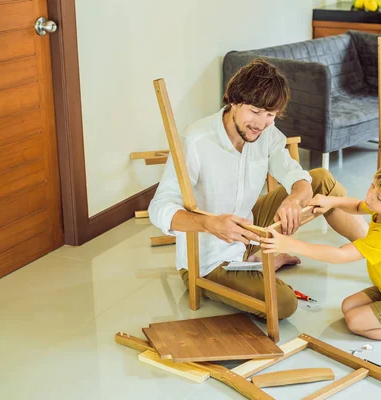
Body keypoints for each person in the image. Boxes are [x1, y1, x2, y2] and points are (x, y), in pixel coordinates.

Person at [149, 59, 366, 320]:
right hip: (208, 259)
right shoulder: (195, 140)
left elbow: (298, 176)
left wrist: (295, 199)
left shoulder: (266, 132)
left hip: (249, 230)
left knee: (321, 180)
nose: (261, 123)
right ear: (233, 101)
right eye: (255, 111)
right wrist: (212, 224)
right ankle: (259, 262)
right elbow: (159, 208)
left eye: (270, 115)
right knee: (284, 304)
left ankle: (378, 250)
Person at [261, 159, 381, 340]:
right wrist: (332, 201)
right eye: (373, 185)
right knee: (348, 306)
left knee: (354, 322)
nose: (370, 196)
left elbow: (340, 255)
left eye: (378, 196)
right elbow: (358, 205)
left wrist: (291, 244)